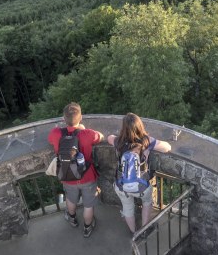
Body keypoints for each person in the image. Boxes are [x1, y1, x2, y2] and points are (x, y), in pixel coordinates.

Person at [107, 113, 171, 233]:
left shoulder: (118, 142)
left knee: (127, 208)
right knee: (147, 202)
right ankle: (144, 230)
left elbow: (109, 137)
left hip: (121, 186)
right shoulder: (146, 141)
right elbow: (167, 147)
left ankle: (134, 232)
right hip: (141, 186)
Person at [48, 102, 104, 238]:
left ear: (63, 118)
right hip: (87, 176)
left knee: (71, 199)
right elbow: (101, 136)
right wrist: (82, 128)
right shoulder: (87, 134)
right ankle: (87, 227)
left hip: (67, 174)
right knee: (88, 205)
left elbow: (50, 140)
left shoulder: (56, 133)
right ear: (81, 117)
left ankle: (72, 218)